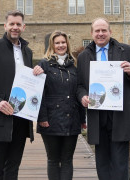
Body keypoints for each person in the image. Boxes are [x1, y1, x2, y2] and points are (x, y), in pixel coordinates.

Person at [0, 10, 43, 180]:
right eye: (11, 24)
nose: (15, 27)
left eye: (18, 24)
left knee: (13, 166)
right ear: (5, 26)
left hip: (21, 117)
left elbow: (28, 81)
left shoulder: (27, 52)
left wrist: (37, 72)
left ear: (23, 27)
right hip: (0, 115)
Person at [76, 18, 130, 180]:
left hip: (119, 116)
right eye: (97, 31)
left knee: (120, 164)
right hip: (97, 116)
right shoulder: (84, 56)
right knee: (102, 163)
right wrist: (83, 97)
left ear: (110, 32)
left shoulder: (124, 50)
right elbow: (79, 86)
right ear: (92, 33)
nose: (100, 34)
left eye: (104, 30)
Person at [36, 31, 85, 180]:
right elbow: (39, 93)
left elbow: (79, 91)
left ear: (67, 44)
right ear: (52, 45)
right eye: (57, 43)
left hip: (72, 119)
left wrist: (83, 119)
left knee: (67, 160)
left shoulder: (74, 65)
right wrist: (42, 117)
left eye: (63, 42)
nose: (60, 45)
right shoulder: (44, 64)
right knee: (53, 160)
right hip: (50, 120)